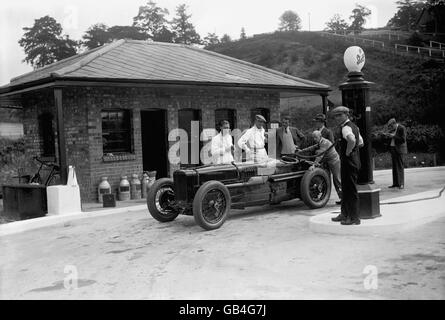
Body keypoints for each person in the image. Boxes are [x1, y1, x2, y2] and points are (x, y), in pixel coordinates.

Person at [330, 106, 364, 225]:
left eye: (339, 115)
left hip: (348, 161)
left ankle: (353, 217)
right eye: (336, 116)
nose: (337, 118)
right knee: (346, 188)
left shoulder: (346, 128)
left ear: (346, 115)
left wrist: (348, 151)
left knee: (350, 190)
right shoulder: (354, 126)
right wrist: (353, 150)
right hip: (354, 161)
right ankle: (344, 214)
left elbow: (352, 140)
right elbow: (361, 142)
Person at [298, 130, 342, 203]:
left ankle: (344, 199)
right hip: (327, 161)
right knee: (326, 178)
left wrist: (313, 165)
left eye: (315, 137)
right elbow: (312, 147)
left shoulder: (324, 143)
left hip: (334, 161)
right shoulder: (320, 142)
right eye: (313, 137)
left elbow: (319, 155)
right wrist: (301, 151)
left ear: (320, 136)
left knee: (337, 179)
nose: (314, 139)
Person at [385, 118, 407, 189]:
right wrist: (388, 135)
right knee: (394, 167)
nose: (390, 128)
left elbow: (403, 139)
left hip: (400, 150)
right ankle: (395, 183)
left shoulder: (401, 128)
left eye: (391, 126)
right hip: (393, 149)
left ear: (394, 124)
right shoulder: (393, 129)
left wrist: (393, 136)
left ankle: (401, 184)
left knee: (400, 166)